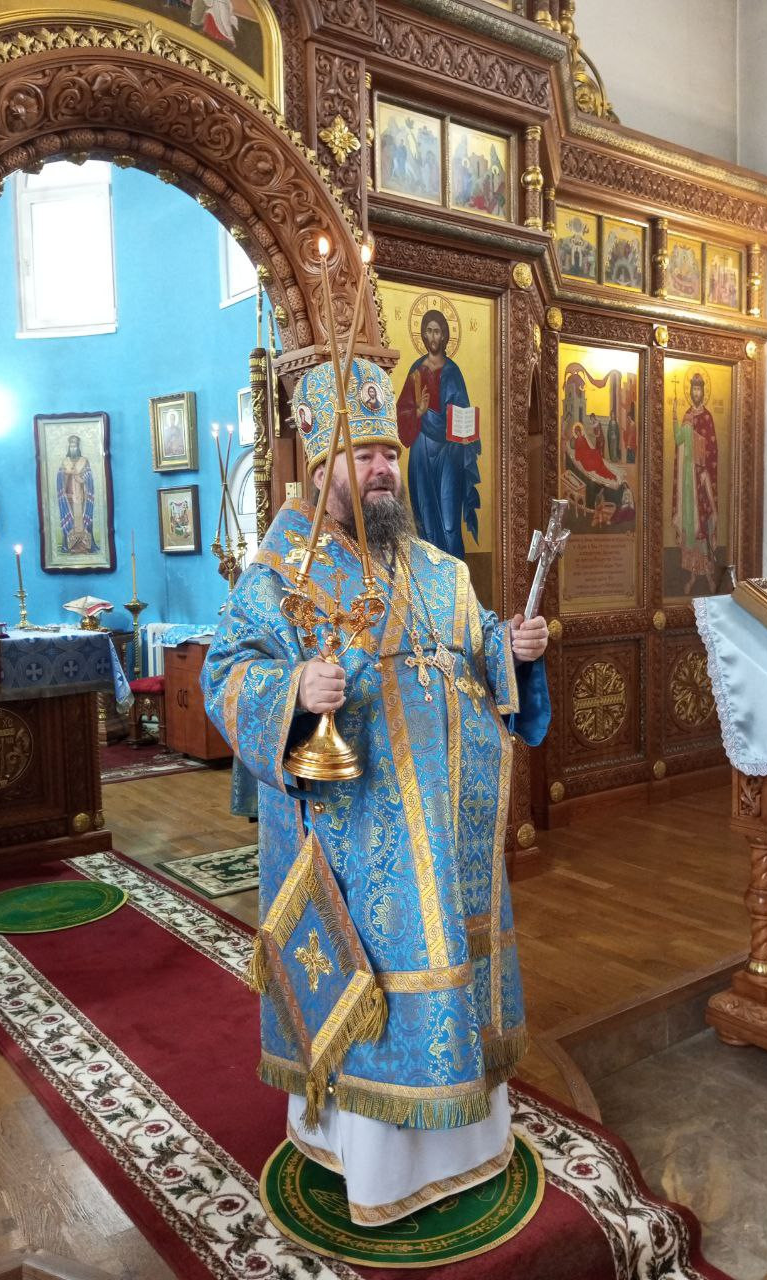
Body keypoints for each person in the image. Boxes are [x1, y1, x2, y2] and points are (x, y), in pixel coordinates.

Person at [201, 357, 550, 1227]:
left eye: (388, 454)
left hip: (446, 828)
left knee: (450, 961)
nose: (383, 470)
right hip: (355, 836)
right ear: (322, 469)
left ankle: (463, 1139)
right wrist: (293, 691)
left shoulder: (437, 569)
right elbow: (226, 673)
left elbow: (475, 651)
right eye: (362, 457)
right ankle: (375, 1165)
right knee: (381, 981)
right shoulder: (280, 573)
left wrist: (512, 646)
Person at [395, 309, 480, 559]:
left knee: (449, 521)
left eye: (437, 331)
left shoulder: (453, 371)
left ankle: (455, 576)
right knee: (425, 518)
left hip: (450, 452)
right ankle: (429, 577)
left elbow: (464, 411)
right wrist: (419, 412)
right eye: (429, 331)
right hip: (422, 450)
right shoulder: (416, 371)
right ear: (423, 335)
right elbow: (401, 413)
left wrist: (467, 427)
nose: (433, 336)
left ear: (444, 336)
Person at [671, 372, 717, 594]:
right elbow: (678, 440)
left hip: (701, 478)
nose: (696, 392)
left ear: (703, 392)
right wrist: (674, 415)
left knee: (702, 528)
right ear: (690, 391)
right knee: (690, 527)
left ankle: (708, 575)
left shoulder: (707, 417)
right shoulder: (687, 415)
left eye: (699, 389)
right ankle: (691, 575)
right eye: (693, 389)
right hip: (688, 480)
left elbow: (713, 450)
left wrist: (704, 468)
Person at [56, 435, 96, 555]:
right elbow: (60, 478)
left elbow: (89, 478)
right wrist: (67, 473)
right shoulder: (65, 462)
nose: (73, 448)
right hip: (68, 497)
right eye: (71, 446)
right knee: (71, 520)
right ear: (69, 447)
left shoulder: (84, 461)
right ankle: (70, 546)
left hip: (81, 496)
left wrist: (80, 477)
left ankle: (84, 546)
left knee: (81, 520)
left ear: (78, 447)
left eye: (75, 446)